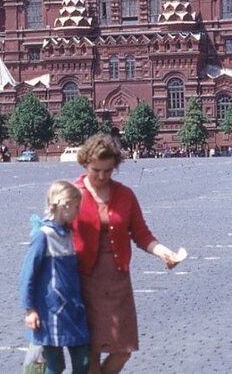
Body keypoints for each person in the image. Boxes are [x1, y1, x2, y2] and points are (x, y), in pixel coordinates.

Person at [72, 133, 180, 374]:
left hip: (118, 282)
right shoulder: (73, 193)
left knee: (123, 349)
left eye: (108, 171)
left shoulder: (125, 195)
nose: (101, 176)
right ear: (85, 163)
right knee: (91, 353)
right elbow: (55, 233)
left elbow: (142, 235)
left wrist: (164, 253)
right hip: (83, 283)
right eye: (96, 170)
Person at [20, 180, 89, 374]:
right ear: (65, 206)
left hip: (73, 310)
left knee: (84, 360)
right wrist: (29, 309)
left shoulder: (68, 234)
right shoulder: (43, 235)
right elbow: (27, 274)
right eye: (76, 207)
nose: (78, 212)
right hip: (50, 313)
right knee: (53, 365)